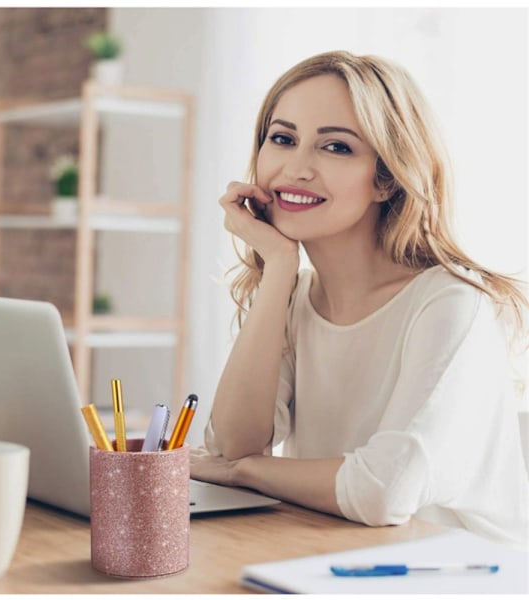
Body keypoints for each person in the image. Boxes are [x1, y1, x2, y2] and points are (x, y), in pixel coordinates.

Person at [189, 50, 529, 549]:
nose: (296, 168)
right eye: (282, 139)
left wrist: (245, 474)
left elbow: (384, 491)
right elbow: (234, 444)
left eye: (336, 148)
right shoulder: (296, 294)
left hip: (459, 574)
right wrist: (279, 267)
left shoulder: (451, 305)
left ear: (387, 178)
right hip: (335, 552)